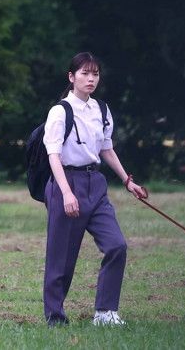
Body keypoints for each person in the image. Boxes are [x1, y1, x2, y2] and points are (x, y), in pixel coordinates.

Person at [42, 52, 148, 327]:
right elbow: (53, 155)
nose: (91, 79)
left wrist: (127, 181)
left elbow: (106, 149)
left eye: (95, 74)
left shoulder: (101, 109)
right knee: (61, 260)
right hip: (66, 182)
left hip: (95, 185)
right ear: (71, 77)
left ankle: (105, 312)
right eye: (85, 73)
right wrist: (66, 193)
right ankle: (55, 316)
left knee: (117, 245)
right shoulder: (60, 111)